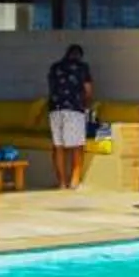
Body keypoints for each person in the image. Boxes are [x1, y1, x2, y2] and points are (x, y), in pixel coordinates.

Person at [47, 40, 95, 189]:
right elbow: (88, 90)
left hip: (55, 109)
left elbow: (51, 87)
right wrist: (86, 105)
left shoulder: (55, 67)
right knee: (77, 146)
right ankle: (74, 182)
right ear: (79, 56)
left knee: (58, 147)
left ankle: (61, 182)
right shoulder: (82, 68)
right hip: (74, 110)